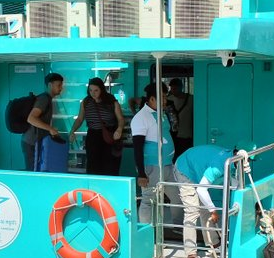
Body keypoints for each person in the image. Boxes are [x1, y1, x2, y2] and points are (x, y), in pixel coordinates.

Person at [173, 144, 232, 258]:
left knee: (205, 209)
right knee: (192, 211)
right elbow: (201, 190)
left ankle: (214, 244)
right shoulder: (219, 167)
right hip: (185, 169)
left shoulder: (233, 160)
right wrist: (213, 210)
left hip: (195, 168)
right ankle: (191, 255)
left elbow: (235, 184)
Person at [130, 83, 178, 225]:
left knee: (178, 196)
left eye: (165, 97)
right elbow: (137, 147)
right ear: (151, 99)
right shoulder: (141, 118)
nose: (165, 101)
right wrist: (141, 174)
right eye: (162, 98)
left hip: (167, 164)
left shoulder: (161, 113)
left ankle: (177, 226)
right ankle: (147, 233)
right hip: (151, 166)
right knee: (148, 200)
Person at [69, 77, 125, 176]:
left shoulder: (111, 101)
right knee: (93, 165)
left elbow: (120, 119)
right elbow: (80, 119)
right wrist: (72, 130)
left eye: (96, 90)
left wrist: (119, 129)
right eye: (90, 90)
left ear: (101, 90)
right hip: (93, 135)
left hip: (109, 135)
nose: (93, 93)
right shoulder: (86, 102)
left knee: (110, 165)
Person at [22, 72, 64, 171]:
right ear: (50, 85)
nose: (61, 88)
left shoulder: (47, 99)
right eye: (58, 85)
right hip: (32, 142)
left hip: (35, 141)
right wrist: (50, 129)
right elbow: (31, 118)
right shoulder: (44, 99)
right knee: (33, 170)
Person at [167, 78, 194, 155]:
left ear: (181, 87)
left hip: (187, 135)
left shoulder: (191, 99)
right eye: (171, 88)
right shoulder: (168, 100)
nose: (173, 90)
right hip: (173, 134)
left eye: (175, 88)